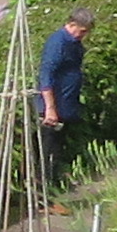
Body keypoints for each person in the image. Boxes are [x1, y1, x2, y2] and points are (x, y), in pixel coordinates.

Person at [35, 10, 91, 187]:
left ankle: (53, 182)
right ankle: (43, 189)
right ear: (71, 24)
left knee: (57, 148)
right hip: (53, 107)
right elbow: (46, 75)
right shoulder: (58, 43)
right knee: (48, 149)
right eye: (81, 31)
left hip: (65, 104)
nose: (83, 35)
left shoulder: (73, 42)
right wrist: (50, 107)